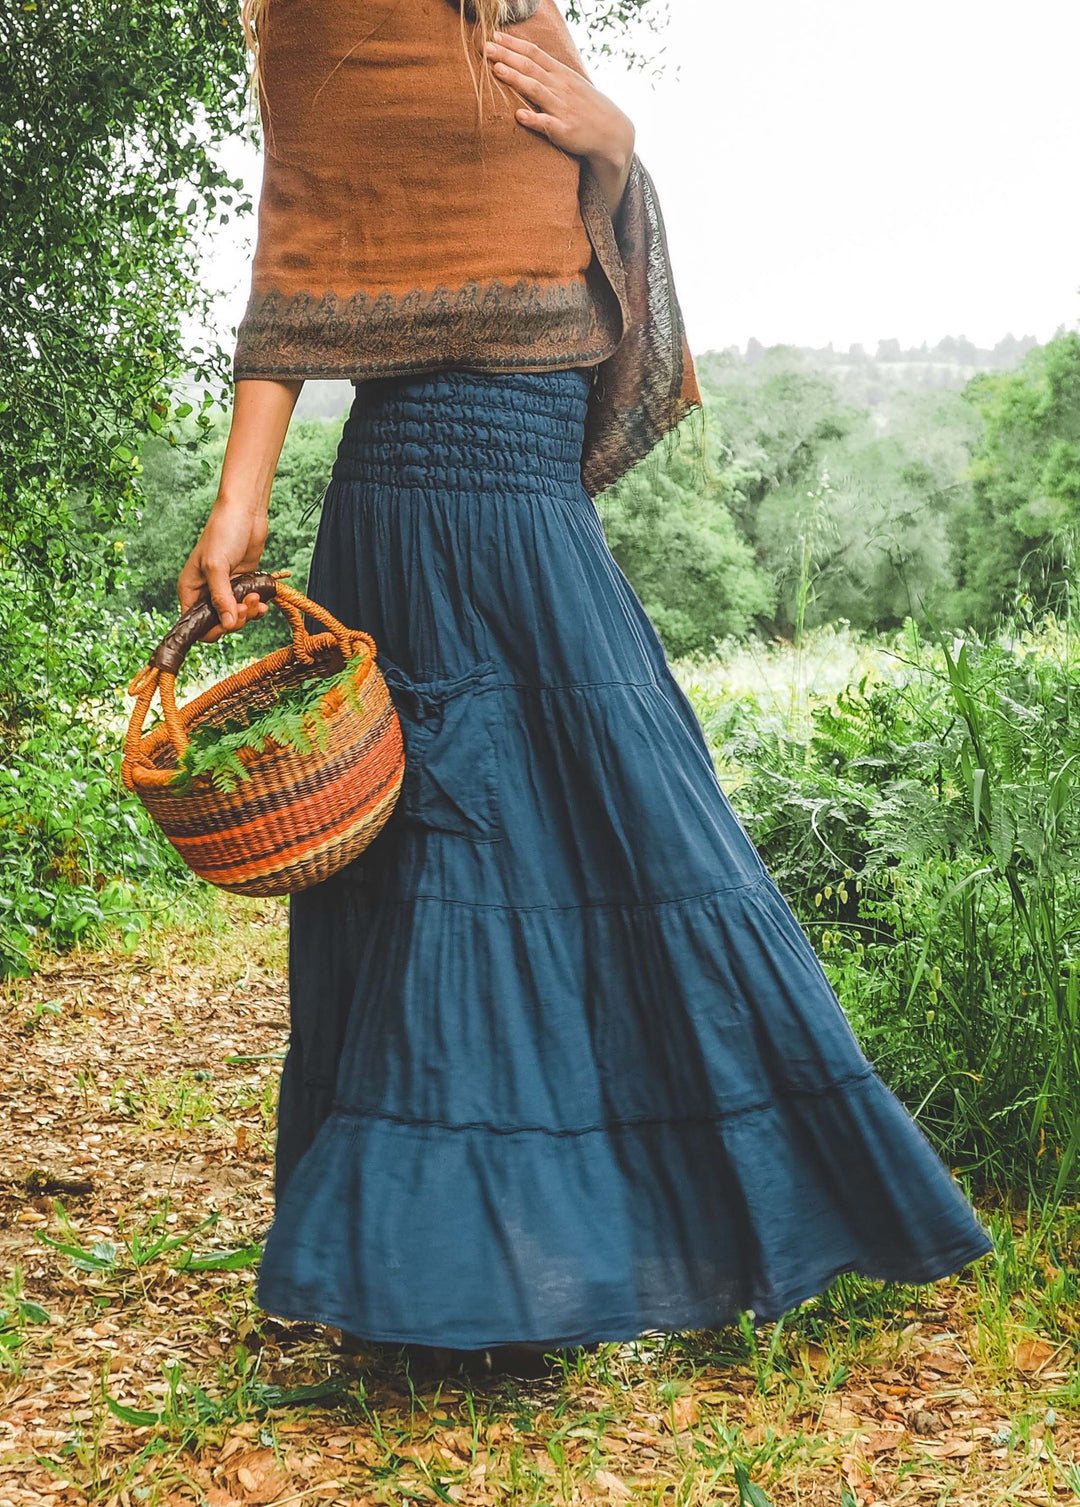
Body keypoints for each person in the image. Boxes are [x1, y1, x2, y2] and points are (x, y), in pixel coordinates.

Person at [178, 0, 992, 1376]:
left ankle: (693, 1219)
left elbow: (589, 200)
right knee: (452, 853)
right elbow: (295, 246)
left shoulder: (516, 9)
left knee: (638, 824)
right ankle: (437, 1297)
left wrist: (618, 149)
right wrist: (239, 497)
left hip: (535, 462)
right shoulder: (318, 17)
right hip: (422, 474)